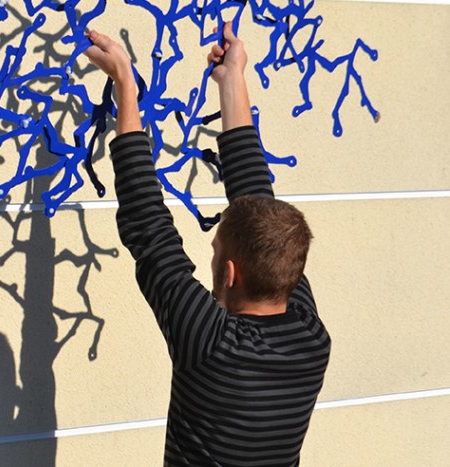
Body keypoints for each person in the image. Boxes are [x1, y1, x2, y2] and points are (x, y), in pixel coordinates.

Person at [83, 23, 331, 466]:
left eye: (215, 250)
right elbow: (255, 205)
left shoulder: (211, 344)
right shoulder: (311, 338)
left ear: (230, 273)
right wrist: (232, 78)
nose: (212, 256)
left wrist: (125, 83)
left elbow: (150, 230)